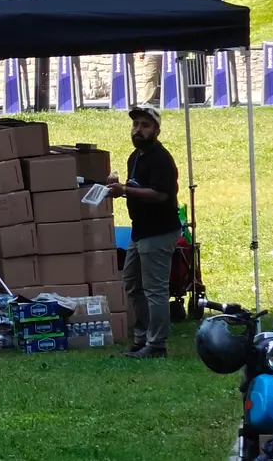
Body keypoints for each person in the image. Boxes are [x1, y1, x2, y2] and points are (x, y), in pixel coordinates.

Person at [109, 105, 181, 359]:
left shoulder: (161, 159)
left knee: (155, 289)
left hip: (159, 231)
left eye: (145, 125)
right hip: (139, 231)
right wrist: (118, 187)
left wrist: (125, 190)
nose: (138, 129)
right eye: (135, 124)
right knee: (132, 283)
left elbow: (161, 194)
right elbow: (137, 187)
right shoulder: (135, 156)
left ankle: (156, 345)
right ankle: (141, 338)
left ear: (157, 130)